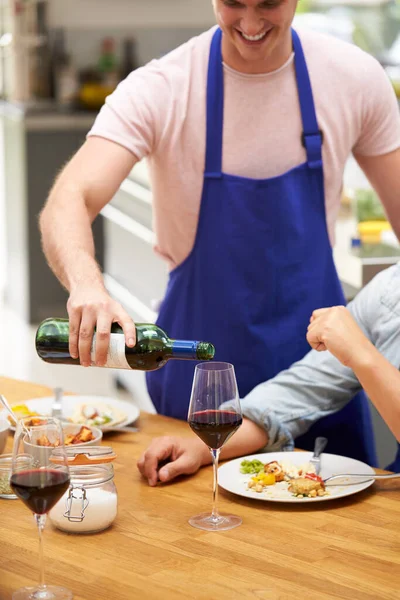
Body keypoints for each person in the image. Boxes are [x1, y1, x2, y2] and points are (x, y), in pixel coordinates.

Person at [39, 0, 400, 464]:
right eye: (233, 3)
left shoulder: (354, 79)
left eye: (268, 3)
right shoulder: (163, 88)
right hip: (197, 380)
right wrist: (86, 285)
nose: (250, 23)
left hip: (322, 379)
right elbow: (68, 198)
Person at [137, 264, 400, 487]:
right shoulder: (390, 290)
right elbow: (303, 389)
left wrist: (362, 355)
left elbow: (357, 354)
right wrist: (200, 447)